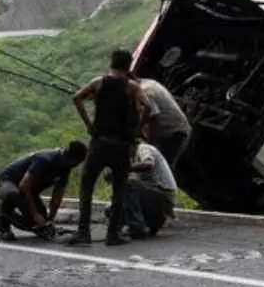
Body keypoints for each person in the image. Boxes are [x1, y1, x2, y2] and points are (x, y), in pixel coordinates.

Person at [68, 48, 146, 246]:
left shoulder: (98, 82)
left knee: (87, 186)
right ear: (128, 66)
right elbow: (148, 108)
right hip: (121, 146)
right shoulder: (132, 87)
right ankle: (113, 234)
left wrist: (89, 125)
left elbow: (77, 98)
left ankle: (83, 232)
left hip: (99, 142)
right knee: (119, 189)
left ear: (111, 63)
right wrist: (135, 132)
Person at [0, 141, 87, 241]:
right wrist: (35, 214)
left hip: (29, 191)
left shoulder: (66, 168)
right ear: (73, 158)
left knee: (40, 225)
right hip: (6, 182)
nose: (77, 165)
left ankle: (16, 215)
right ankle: (2, 221)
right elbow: (24, 186)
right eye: (78, 162)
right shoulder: (45, 159)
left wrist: (50, 220)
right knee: (17, 197)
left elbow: (57, 195)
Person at [116, 139, 179, 239]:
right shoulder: (136, 155)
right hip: (158, 195)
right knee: (114, 207)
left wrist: (125, 168)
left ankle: (137, 228)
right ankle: (152, 222)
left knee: (128, 184)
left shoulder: (143, 148)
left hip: (162, 193)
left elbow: (149, 164)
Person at [137, 71, 192, 167]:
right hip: (167, 132)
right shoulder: (145, 83)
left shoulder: (145, 92)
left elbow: (152, 120)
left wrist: (150, 149)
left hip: (175, 134)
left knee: (159, 170)